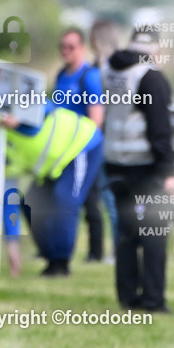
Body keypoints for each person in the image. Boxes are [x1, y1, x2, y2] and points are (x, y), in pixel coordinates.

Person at [100, 29, 174, 312]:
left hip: (116, 164)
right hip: (146, 168)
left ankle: (127, 297)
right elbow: (161, 130)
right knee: (154, 235)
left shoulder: (110, 70)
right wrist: (168, 171)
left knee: (126, 234)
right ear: (155, 50)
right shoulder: (150, 77)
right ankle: (153, 299)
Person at [0, 105, 102, 277]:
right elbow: (9, 201)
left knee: (65, 200)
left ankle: (61, 264)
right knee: (32, 204)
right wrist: (13, 245)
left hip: (80, 144)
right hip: (52, 165)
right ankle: (51, 259)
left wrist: (21, 122)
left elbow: (45, 106)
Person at [54, 27, 106, 263]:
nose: (66, 51)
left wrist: (84, 146)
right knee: (66, 198)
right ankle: (57, 247)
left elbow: (96, 118)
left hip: (85, 149)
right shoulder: (61, 75)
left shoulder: (89, 76)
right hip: (62, 150)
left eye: (71, 47)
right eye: (62, 47)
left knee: (89, 200)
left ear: (81, 48)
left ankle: (95, 252)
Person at [89, 19, 121, 260]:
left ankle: (118, 249)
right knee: (103, 196)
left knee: (110, 198)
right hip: (104, 138)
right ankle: (108, 249)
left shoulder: (113, 68)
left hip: (109, 139)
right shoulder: (98, 67)